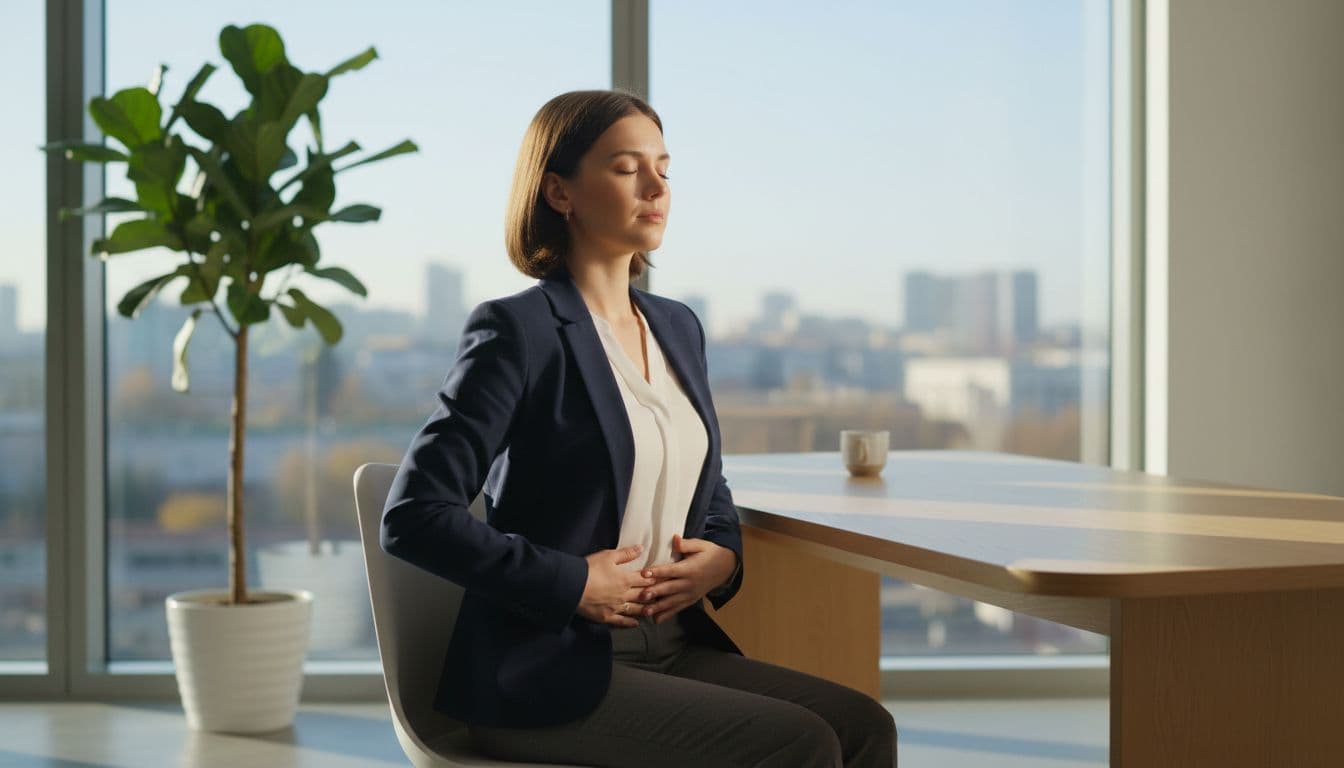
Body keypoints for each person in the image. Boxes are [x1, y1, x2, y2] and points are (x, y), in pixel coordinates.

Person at [381, 89, 897, 767]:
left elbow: (705, 480)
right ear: (560, 193)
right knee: (799, 744)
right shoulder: (517, 332)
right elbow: (414, 515)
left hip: (675, 646)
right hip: (548, 670)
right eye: (628, 168)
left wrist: (722, 554)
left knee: (864, 726)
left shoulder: (677, 327)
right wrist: (573, 583)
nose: (657, 186)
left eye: (664, 167)